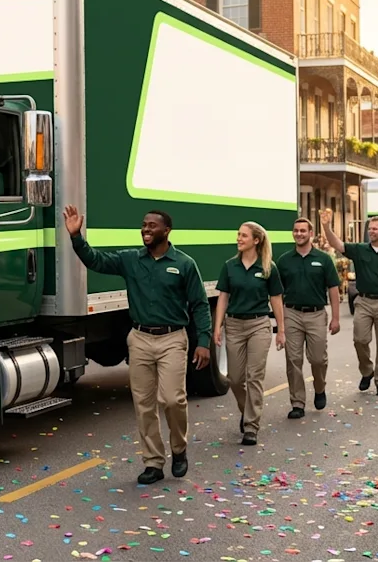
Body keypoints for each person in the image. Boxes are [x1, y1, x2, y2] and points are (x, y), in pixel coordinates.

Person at [63, 205, 211, 485]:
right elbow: (96, 261)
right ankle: (153, 462)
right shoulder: (131, 259)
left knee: (172, 399)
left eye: (152, 226)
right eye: (143, 225)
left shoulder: (184, 264)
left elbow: (200, 305)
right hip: (140, 338)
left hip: (172, 339)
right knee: (143, 404)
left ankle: (179, 449)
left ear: (166, 231)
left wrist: (203, 341)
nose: (145, 230)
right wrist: (76, 237)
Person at [213, 222, 285, 445]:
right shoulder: (229, 266)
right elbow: (223, 297)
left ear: (256, 240)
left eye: (243, 235)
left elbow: (276, 300)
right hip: (233, 326)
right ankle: (246, 410)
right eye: (238, 235)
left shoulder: (268, 268)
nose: (239, 238)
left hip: (258, 326)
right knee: (235, 379)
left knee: (255, 377)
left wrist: (281, 330)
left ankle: (251, 426)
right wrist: (217, 327)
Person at [321, 209, 378, 396]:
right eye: (370, 228)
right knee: (360, 339)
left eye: (376, 229)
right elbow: (337, 244)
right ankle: (367, 371)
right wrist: (326, 226)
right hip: (364, 302)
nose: (372, 231)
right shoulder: (359, 250)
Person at [276, 218, 341, 419]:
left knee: (317, 359)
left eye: (303, 231)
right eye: (296, 230)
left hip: (316, 314)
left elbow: (333, 289)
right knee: (293, 359)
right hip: (292, 314)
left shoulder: (323, 259)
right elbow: (276, 293)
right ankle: (297, 403)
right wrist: (280, 323)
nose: (299, 234)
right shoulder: (284, 261)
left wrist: (336, 318)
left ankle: (320, 388)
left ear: (311, 233)